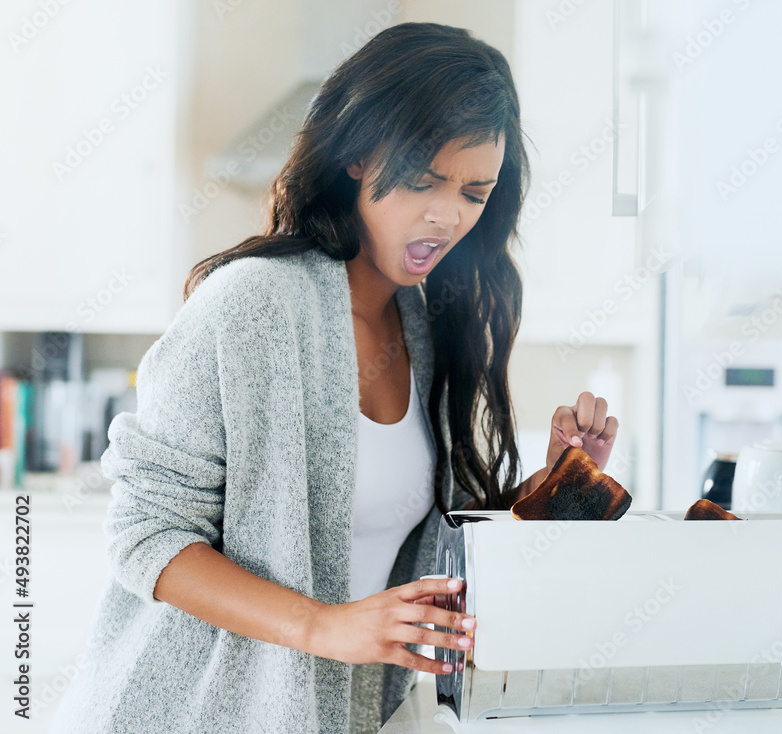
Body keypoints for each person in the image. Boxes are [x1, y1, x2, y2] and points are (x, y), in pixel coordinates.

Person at [51, 22, 619, 734]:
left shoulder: (426, 327)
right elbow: (145, 535)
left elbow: (422, 550)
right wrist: (324, 627)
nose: (447, 217)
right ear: (357, 157)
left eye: (475, 192)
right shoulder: (251, 304)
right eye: (422, 180)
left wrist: (557, 487)